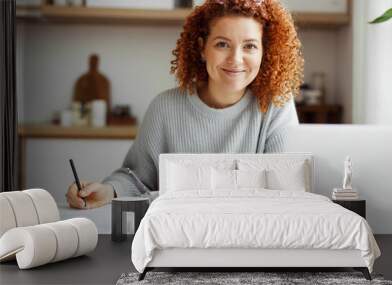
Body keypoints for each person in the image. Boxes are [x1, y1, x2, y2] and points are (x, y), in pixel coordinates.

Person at [65, 0, 304, 209]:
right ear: (202, 48)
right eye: (222, 44)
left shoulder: (275, 105)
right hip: (177, 235)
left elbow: (281, 188)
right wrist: (108, 191)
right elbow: (137, 178)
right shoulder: (165, 108)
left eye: (250, 46)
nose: (236, 59)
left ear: (265, 52)